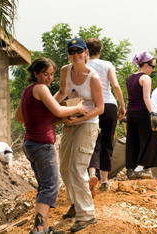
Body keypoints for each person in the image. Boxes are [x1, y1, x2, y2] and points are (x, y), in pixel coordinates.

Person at [15, 57, 87, 234]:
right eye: (45, 74)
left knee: (44, 185)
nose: (48, 78)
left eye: (51, 74)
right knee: (50, 186)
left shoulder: (28, 90)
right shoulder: (41, 88)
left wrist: (41, 117)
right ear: (35, 73)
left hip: (30, 143)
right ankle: (38, 229)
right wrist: (77, 108)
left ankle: (44, 228)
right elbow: (59, 110)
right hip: (42, 144)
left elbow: (19, 117)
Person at [55, 38, 104, 232]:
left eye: (79, 51)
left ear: (85, 53)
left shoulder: (93, 77)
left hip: (88, 123)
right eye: (72, 52)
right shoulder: (65, 71)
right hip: (70, 119)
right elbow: (61, 93)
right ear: (69, 54)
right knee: (65, 167)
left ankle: (87, 215)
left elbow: (100, 107)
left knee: (77, 167)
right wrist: (50, 106)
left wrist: (79, 119)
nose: (75, 55)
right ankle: (76, 203)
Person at [85, 38, 126, 192]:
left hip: (92, 106)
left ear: (86, 50)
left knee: (92, 142)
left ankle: (91, 174)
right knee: (107, 142)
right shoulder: (107, 64)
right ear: (100, 51)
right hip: (109, 105)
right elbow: (115, 85)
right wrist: (122, 105)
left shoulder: (83, 66)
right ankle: (104, 180)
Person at [125, 51, 157, 179]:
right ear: (145, 65)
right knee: (150, 139)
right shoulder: (145, 78)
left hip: (131, 113)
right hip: (142, 112)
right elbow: (146, 98)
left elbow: (129, 97)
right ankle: (140, 167)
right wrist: (152, 113)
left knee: (133, 140)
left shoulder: (130, 77)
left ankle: (131, 168)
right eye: (152, 66)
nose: (153, 69)